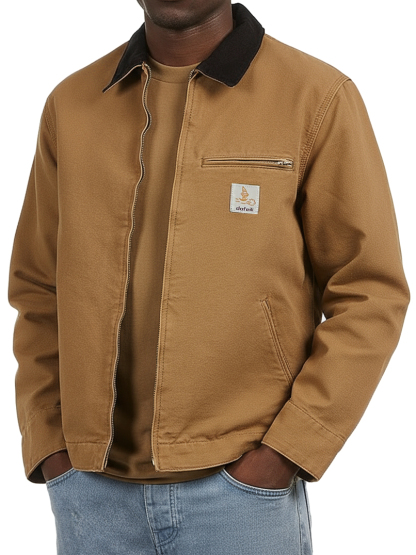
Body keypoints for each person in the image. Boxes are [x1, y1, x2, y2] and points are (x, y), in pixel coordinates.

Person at [8, 1, 409, 554]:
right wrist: (49, 442)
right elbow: (37, 288)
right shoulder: (73, 103)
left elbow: (370, 292)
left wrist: (288, 452)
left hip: (242, 495)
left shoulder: (315, 96)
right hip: (90, 496)